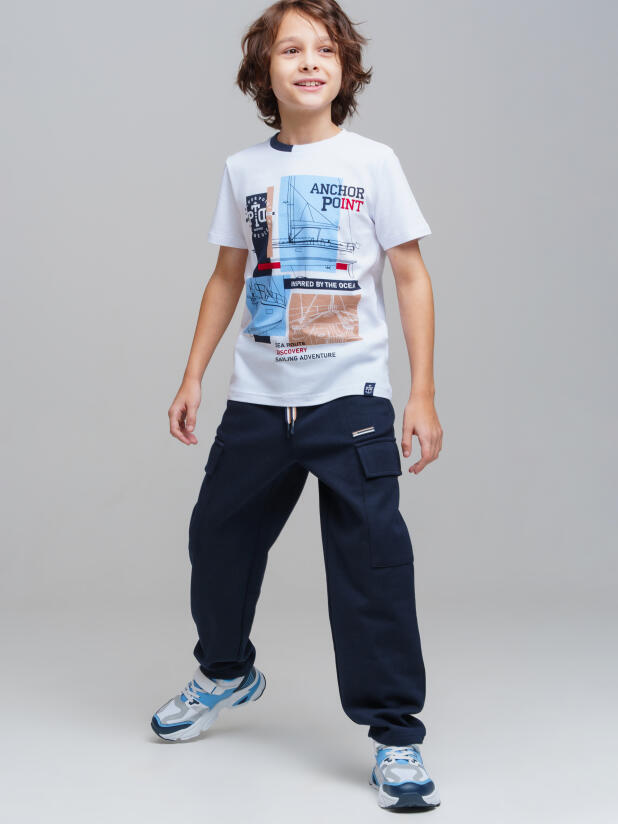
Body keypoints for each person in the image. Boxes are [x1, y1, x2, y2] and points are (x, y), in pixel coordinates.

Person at [150, 0, 443, 811]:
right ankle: (225, 672)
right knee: (216, 540)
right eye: (290, 50)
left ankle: (396, 738)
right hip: (257, 402)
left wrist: (421, 392)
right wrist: (192, 375)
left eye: (324, 50)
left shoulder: (374, 163)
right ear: (264, 71)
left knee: (371, 567)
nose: (309, 62)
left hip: (351, 403)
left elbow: (411, 276)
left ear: (344, 71)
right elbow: (226, 277)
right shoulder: (244, 170)